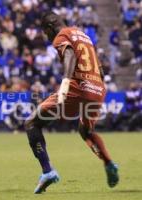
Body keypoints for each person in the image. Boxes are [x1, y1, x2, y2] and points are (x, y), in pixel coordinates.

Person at [24, 11, 119, 194]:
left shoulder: (61, 35)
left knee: (31, 123)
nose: (47, 36)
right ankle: (109, 164)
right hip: (98, 87)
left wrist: (66, 84)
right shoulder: (83, 35)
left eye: (45, 32)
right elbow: (101, 69)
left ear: (50, 26)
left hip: (77, 86)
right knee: (86, 131)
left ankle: (47, 172)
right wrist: (95, 89)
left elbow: (69, 56)